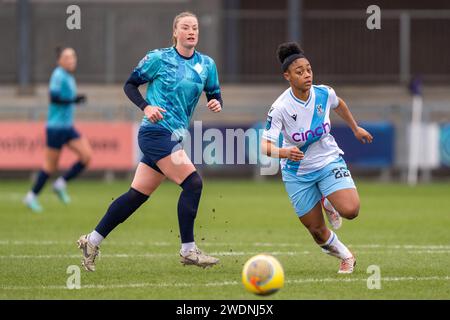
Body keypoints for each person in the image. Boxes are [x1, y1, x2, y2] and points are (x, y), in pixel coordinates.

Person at [77, 12, 223, 271]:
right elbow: (130, 85)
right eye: (186, 27)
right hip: (155, 133)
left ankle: (92, 240)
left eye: (195, 28)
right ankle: (188, 250)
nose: (191, 32)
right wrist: (146, 107)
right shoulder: (159, 58)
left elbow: (214, 92)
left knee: (136, 196)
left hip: (174, 136)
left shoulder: (207, 64)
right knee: (193, 183)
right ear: (175, 32)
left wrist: (215, 102)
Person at [261, 42, 373, 273]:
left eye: (309, 69)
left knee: (351, 210)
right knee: (316, 231)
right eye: (299, 72)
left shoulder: (323, 93)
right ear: (287, 76)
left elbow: (339, 103)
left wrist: (355, 128)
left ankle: (328, 200)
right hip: (297, 172)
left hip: (328, 160)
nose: (307, 75)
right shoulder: (280, 108)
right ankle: (346, 256)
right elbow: (265, 146)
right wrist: (284, 152)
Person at [24, 47, 90, 213]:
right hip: (56, 128)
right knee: (49, 166)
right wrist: (74, 99)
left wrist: (74, 100)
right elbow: (53, 97)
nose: (71, 60)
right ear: (59, 60)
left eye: (73, 56)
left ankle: (60, 184)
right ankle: (31, 196)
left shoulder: (68, 76)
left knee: (86, 156)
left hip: (67, 127)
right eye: (67, 57)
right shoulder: (58, 75)